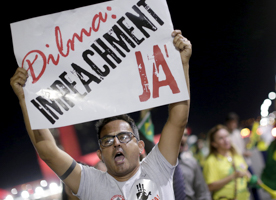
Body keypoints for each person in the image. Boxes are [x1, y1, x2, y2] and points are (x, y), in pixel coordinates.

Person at [10, 30, 191, 200]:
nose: (117, 143)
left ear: (140, 145)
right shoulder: (91, 184)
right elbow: (47, 151)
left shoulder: (158, 167)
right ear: (100, 155)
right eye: (108, 141)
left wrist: (181, 63)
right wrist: (26, 99)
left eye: (124, 136)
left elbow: (178, 119)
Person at [203, 125, 251, 200]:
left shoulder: (236, 154)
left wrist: (253, 180)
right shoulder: (211, 161)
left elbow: (245, 171)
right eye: (221, 138)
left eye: (227, 136)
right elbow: (210, 186)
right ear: (214, 144)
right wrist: (233, 176)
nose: (226, 140)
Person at [174, 128, 211, 200]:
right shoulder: (159, 164)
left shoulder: (191, 162)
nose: (183, 138)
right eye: (178, 133)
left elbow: (203, 192)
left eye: (185, 135)